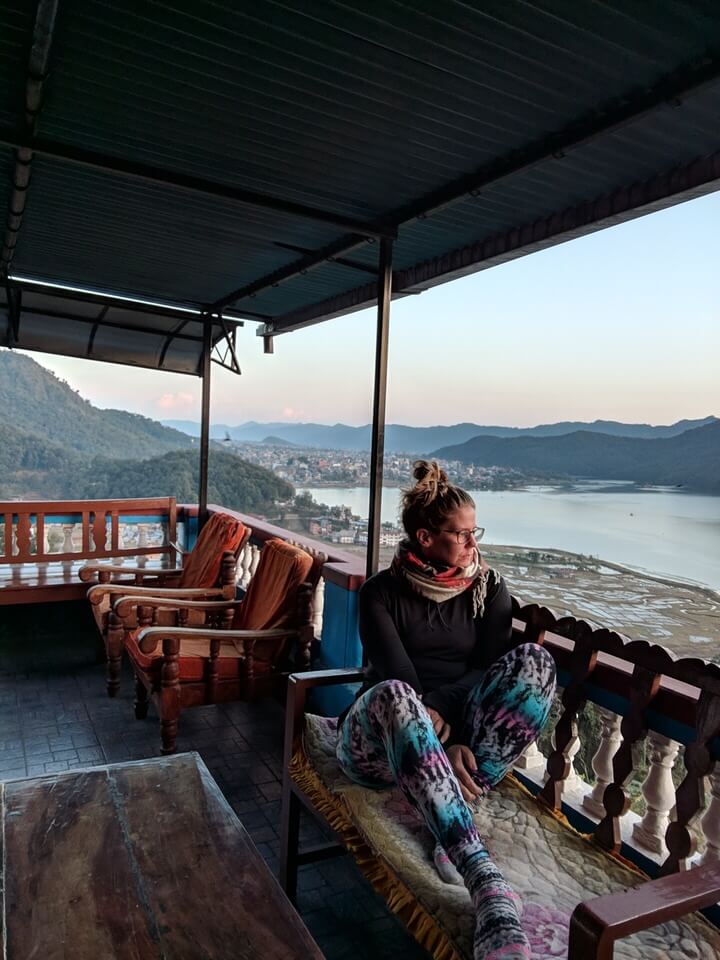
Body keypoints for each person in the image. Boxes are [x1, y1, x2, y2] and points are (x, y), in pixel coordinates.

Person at [335, 460, 557, 960]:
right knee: (398, 695)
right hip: (381, 742)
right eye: (461, 534)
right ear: (425, 538)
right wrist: (441, 732)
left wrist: (455, 735)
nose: (473, 543)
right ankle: (486, 883)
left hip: (455, 738)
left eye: (475, 531)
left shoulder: (489, 589)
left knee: (536, 663)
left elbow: (485, 671)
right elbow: (400, 678)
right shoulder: (380, 594)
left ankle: (455, 806)